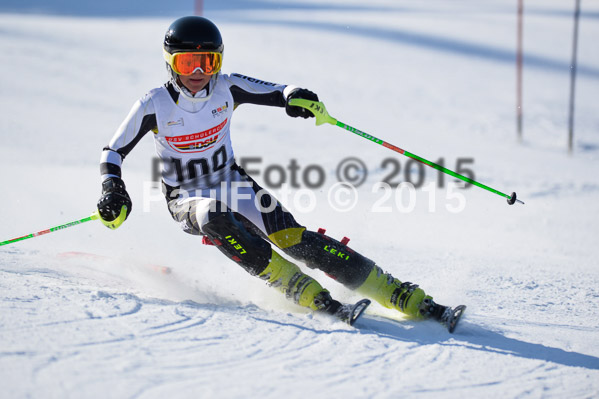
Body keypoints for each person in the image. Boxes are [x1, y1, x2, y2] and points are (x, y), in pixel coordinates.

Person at [97, 16, 453, 325]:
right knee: (212, 215)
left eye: (207, 61)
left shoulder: (226, 87)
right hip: (186, 197)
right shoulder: (154, 104)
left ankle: (395, 291)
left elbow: (279, 90)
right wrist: (113, 189)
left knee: (294, 239)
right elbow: (113, 151)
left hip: (232, 182)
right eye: (188, 62)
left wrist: (297, 97)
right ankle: (297, 287)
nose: (199, 73)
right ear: (170, 63)